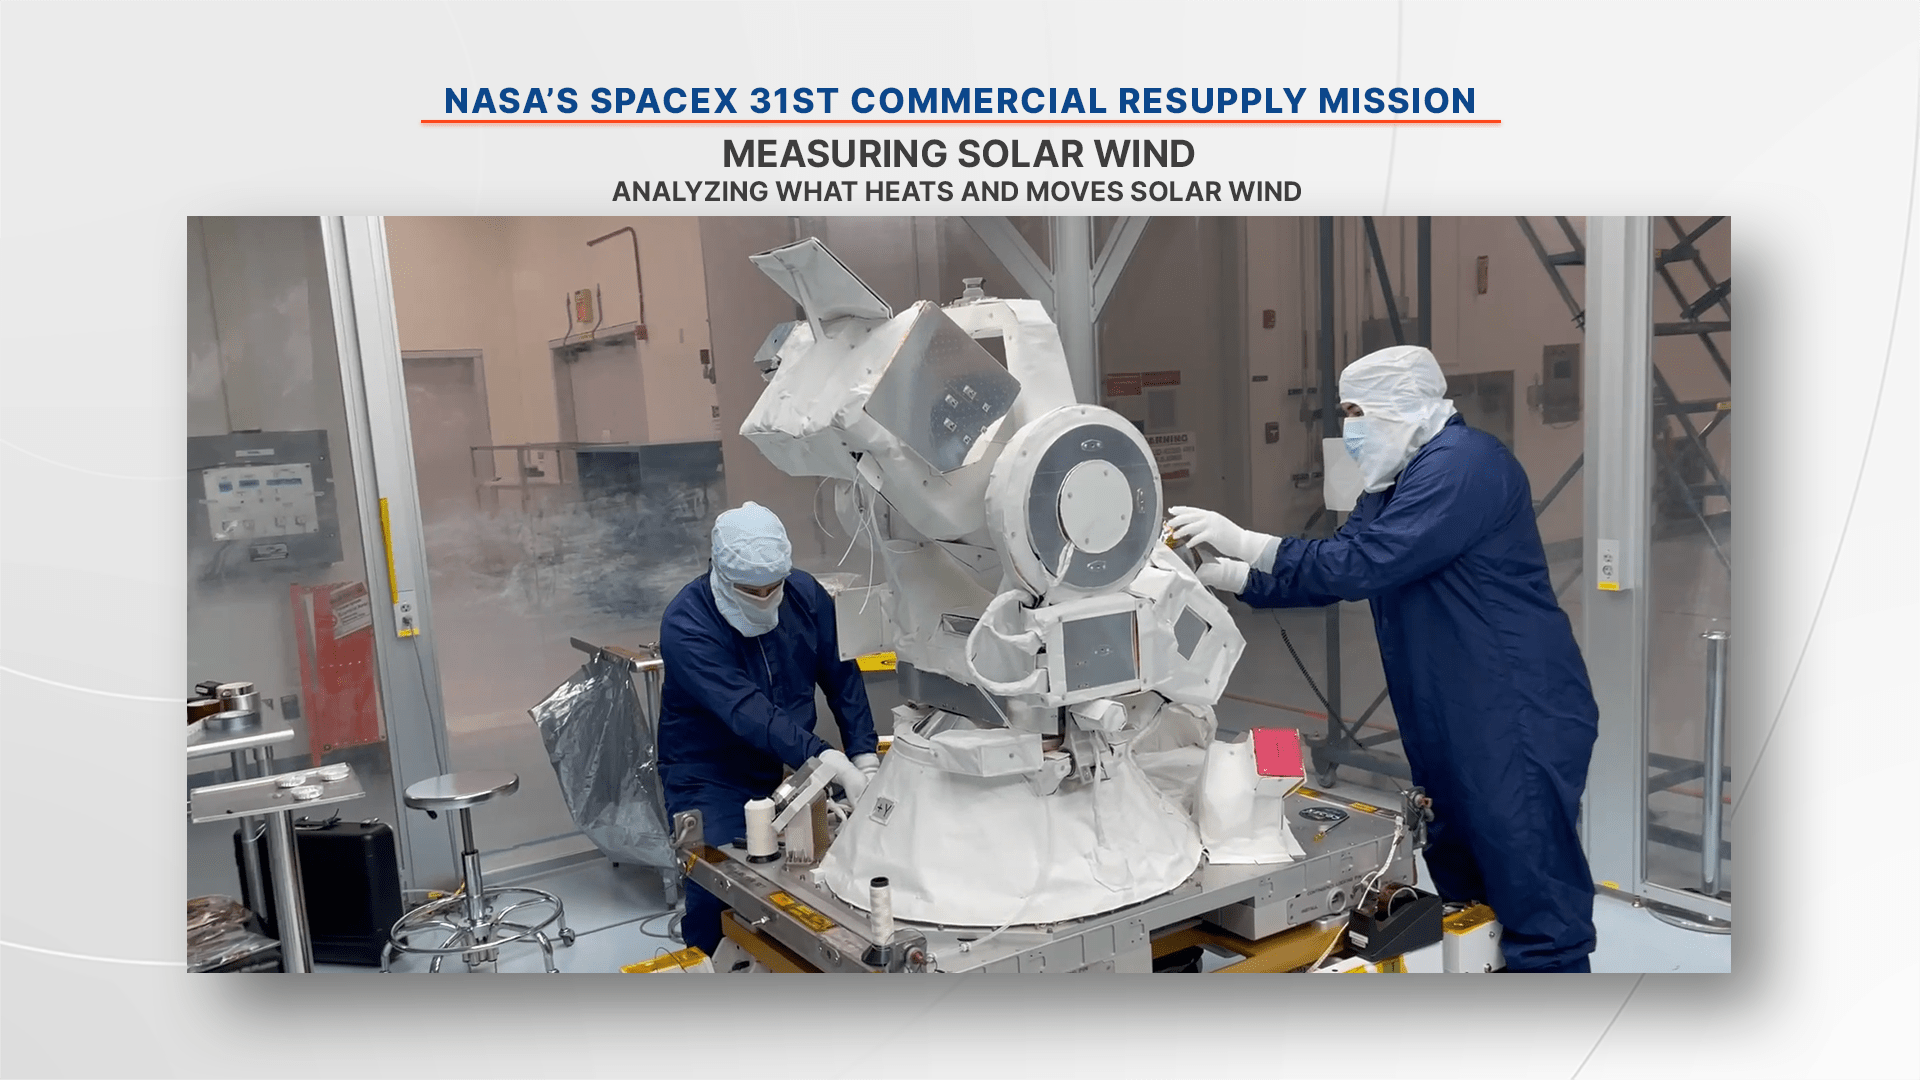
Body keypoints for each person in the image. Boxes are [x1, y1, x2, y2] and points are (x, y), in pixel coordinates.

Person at [1167, 344, 1601, 973]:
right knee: (1466, 890)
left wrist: (1249, 541)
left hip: (1515, 713)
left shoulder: (1465, 465)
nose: (1349, 429)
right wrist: (1231, 573)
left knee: (1533, 891)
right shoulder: (1399, 480)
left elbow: (1366, 563)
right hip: (1452, 716)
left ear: (1400, 404)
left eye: (1356, 411)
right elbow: (1342, 567)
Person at [657, 501, 880, 958]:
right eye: (748, 590)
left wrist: (864, 756)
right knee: (716, 882)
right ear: (719, 571)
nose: (763, 598)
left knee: (808, 877)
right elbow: (747, 711)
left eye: (771, 587)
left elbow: (842, 676)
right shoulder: (687, 623)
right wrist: (827, 758)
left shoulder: (804, 594)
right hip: (710, 771)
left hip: (794, 760)